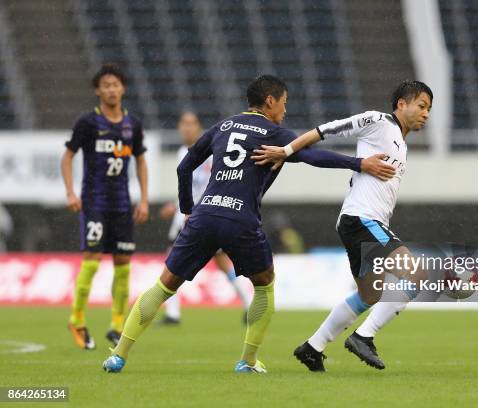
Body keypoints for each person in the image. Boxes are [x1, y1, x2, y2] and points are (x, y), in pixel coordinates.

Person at [102, 74, 395, 373]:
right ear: (270, 101)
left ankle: (118, 355)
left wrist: (188, 210)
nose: (284, 110)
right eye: (283, 103)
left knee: (164, 285)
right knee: (264, 286)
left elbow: (184, 166)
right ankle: (248, 361)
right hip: (240, 218)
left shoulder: (223, 126)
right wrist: (359, 163)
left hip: (204, 215)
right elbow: (314, 156)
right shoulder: (275, 133)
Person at [253, 80, 433, 371]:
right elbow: (324, 130)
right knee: (416, 275)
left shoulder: (400, 141)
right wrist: (286, 151)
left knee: (370, 294)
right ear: (402, 104)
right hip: (363, 219)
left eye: (429, 109)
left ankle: (312, 347)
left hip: (361, 222)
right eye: (421, 106)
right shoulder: (377, 121)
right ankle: (363, 337)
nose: (426, 113)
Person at [61, 63, 149, 350]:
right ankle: (77, 319)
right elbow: (67, 157)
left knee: (123, 266)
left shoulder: (132, 125)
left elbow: (140, 160)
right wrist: (71, 193)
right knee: (91, 259)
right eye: (106, 85)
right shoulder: (88, 123)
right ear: (98, 91)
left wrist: (144, 199)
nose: (111, 89)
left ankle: (116, 325)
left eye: (116, 84)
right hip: (95, 202)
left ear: (123, 88)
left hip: (122, 205)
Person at [159, 111, 251, 324]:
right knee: (218, 261)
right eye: (183, 124)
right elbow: (190, 186)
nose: (187, 128)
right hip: (187, 214)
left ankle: (173, 313)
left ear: (199, 127)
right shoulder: (182, 151)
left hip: (204, 214)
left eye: (192, 124)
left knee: (174, 261)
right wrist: (175, 205)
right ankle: (248, 302)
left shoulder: (211, 150)